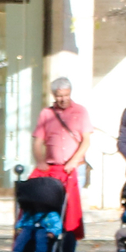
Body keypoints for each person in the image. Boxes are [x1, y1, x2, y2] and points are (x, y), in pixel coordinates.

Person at [31, 76, 90, 238]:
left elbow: (86, 141)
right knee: (49, 209)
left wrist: (74, 161)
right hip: (52, 169)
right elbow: (37, 142)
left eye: (66, 95)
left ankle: (67, 249)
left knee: (70, 211)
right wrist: (40, 161)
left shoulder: (81, 111)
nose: (63, 99)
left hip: (74, 168)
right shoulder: (46, 114)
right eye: (59, 96)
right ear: (53, 95)